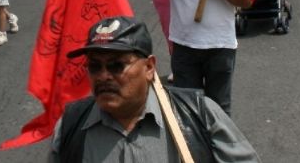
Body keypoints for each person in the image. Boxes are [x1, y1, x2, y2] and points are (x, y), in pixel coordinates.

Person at [49, 16, 259, 162]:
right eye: (94, 66)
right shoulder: (70, 127)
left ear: (149, 67)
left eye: (116, 65)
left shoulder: (198, 115)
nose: (103, 76)